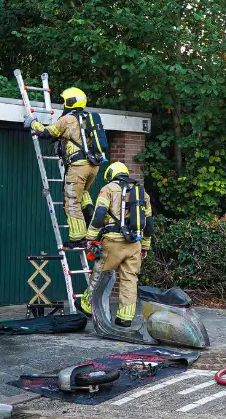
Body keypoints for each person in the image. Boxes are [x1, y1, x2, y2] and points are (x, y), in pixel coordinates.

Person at [78, 162, 154, 327]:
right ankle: (125, 318)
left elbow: (99, 215)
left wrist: (90, 237)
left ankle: (87, 305)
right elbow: (148, 224)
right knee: (129, 279)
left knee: (100, 272)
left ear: (111, 174)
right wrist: (146, 246)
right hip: (135, 243)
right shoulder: (142, 193)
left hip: (113, 241)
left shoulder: (109, 189)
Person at [26, 87, 101, 248]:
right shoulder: (89, 118)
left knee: (72, 201)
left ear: (70, 102)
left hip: (78, 166)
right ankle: (90, 224)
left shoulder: (68, 119)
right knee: (83, 194)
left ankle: (78, 238)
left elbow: (48, 132)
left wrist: (33, 123)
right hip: (93, 166)